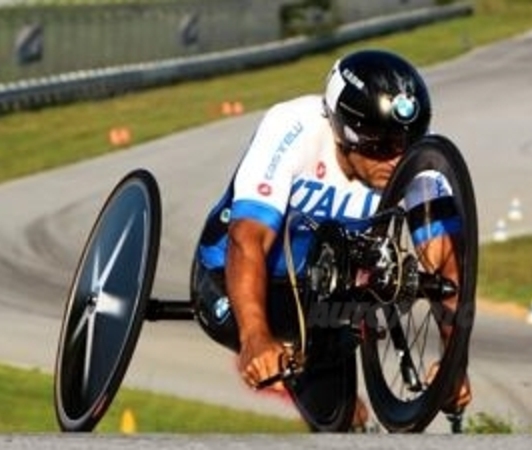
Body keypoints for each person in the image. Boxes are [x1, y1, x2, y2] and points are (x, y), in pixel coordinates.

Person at [189, 49, 470, 429]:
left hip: (321, 299)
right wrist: (255, 335)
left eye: (408, 140)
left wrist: (455, 361)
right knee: (298, 371)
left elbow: (448, 266)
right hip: (228, 277)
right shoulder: (292, 127)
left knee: (341, 428)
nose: (397, 158)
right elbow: (248, 240)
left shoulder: (415, 156)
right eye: (382, 145)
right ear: (345, 132)